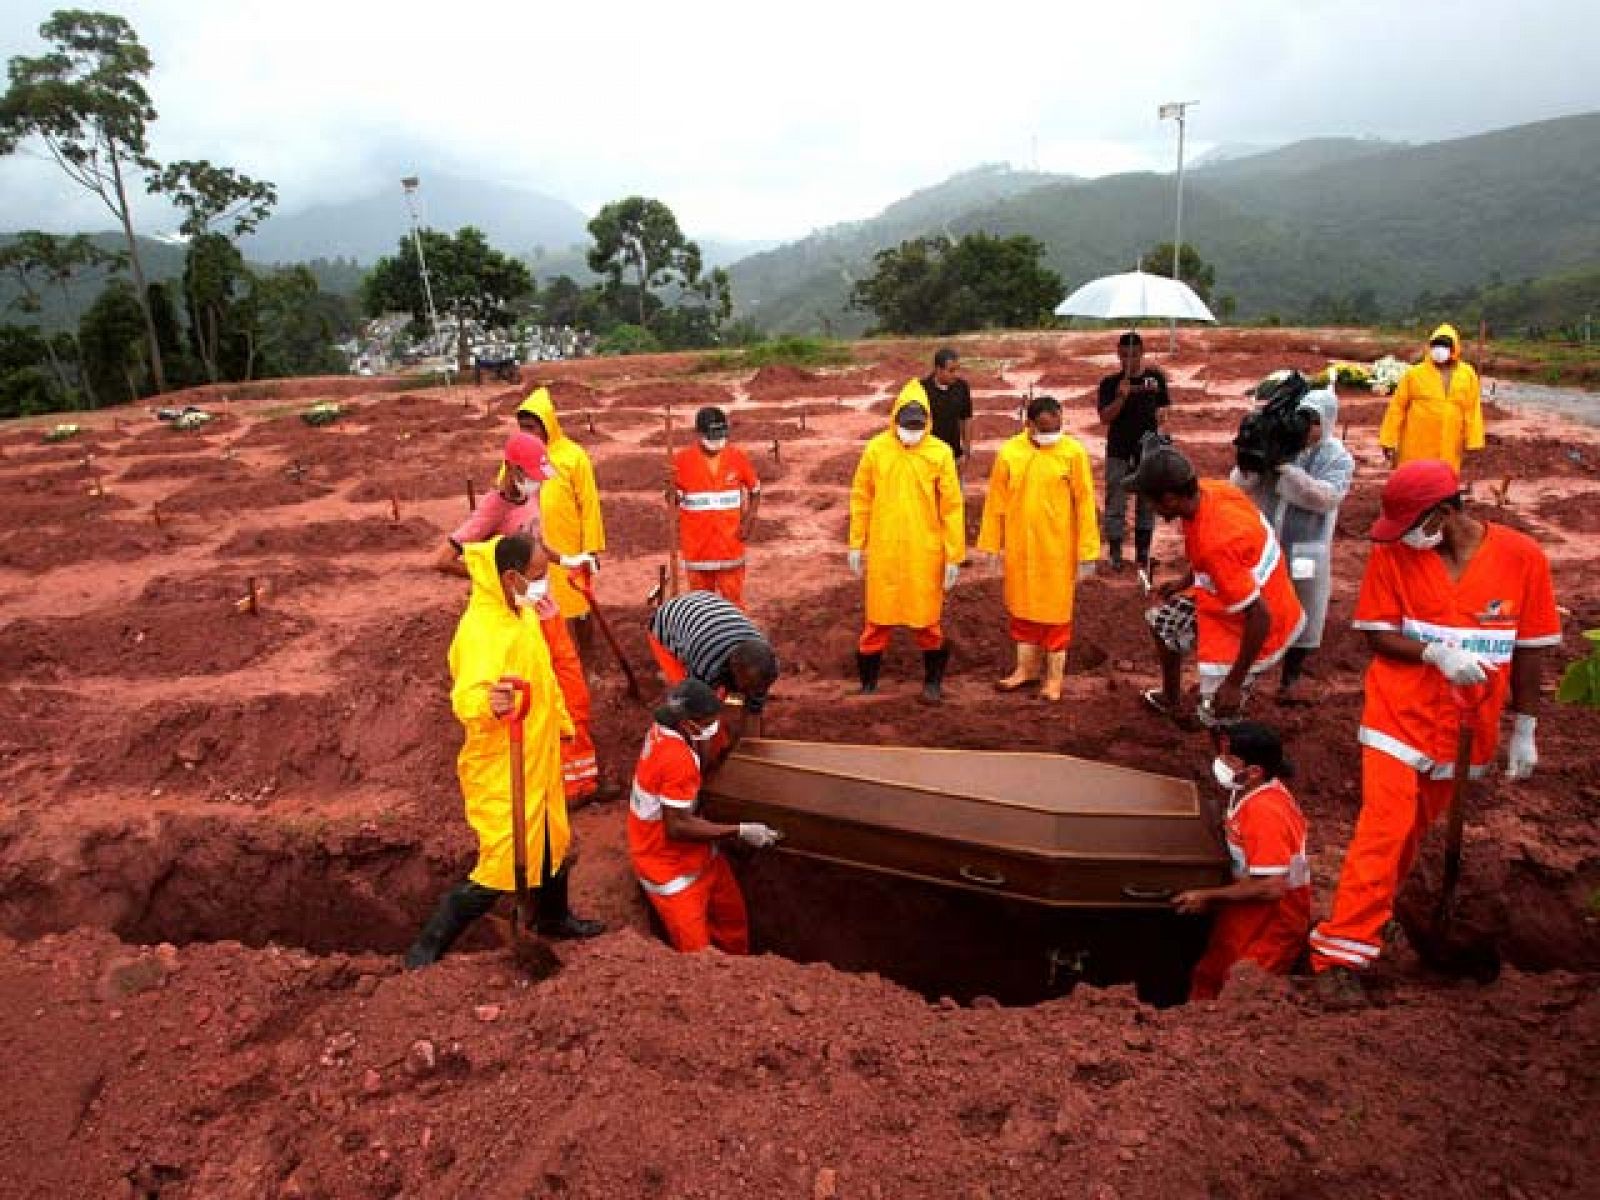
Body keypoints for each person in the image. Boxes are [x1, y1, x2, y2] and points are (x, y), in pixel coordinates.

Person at [1308, 460, 1559, 998]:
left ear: (1445, 513)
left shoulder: (1522, 558)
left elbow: (1532, 648)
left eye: (1413, 526)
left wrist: (1526, 726)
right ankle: (1340, 954)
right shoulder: (1393, 553)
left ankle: (1376, 919)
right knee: (1385, 828)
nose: (1404, 538)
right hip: (1397, 718)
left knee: (1411, 835)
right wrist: (1434, 652)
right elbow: (1378, 636)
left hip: (1467, 730)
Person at [405, 534, 604, 968]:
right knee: (503, 859)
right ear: (511, 577)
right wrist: (487, 705)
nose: (544, 584)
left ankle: (554, 918)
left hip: (538, 750)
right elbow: (465, 697)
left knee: (552, 838)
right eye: (537, 576)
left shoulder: (522, 611)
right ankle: (427, 948)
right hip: (502, 761)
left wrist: (563, 724)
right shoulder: (482, 631)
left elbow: (543, 675)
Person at [434, 434, 605, 807]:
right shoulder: (493, 509)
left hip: (536, 602)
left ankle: (564, 773)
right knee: (528, 690)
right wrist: (494, 580)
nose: (537, 484)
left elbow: (536, 546)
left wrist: (568, 560)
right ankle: (544, 778)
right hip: (516, 610)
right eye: (531, 476)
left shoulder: (531, 496)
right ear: (511, 470)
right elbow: (441, 560)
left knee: (558, 681)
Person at [1130, 446, 1305, 726]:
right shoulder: (1210, 493)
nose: (1149, 508)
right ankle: (1171, 698)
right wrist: (1183, 582)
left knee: (1218, 715)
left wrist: (1234, 682)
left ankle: (1232, 749)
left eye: (1150, 501)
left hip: (1261, 620)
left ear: (1170, 499)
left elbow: (1260, 617)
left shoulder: (1218, 542)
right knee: (1163, 622)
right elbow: (1205, 553)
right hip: (1239, 593)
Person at [627, 679, 783, 953]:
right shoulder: (676, 759)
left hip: (700, 856)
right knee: (698, 958)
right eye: (711, 721)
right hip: (669, 870)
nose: (715, 727)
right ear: (688, 723)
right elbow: (677, 826)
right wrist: (740, 830)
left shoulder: (666, 728)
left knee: (733, 923)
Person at [1229, 388, 1356, 695]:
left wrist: (1288, 469)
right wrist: (1256, 459)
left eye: (1314, 421)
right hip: (1268, 543)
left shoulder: (1336, 457)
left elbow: (1325, 497)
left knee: (1304, 606)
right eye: (1303, 418)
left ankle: (1291, 677)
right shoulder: (1281, 442)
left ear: (1327, 422)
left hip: (1306, 547)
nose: (1307, 427)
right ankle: (1252, 671)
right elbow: (1239, 483)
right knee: (1262, 603)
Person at [1173, 722, 1312, 1000]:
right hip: (1248, 903)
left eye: (1230, 759)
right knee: (1211, 972)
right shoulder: (1248, 790)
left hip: (1273, 917)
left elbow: (1272, 886)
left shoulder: (1265, 813)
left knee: (1237, 988)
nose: (1221, 763)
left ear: (1254, 771)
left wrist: (1208, 896)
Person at [976, 394, 1101, 701]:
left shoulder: (1073, 453)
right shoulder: (1009, 453)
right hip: (1021, 548)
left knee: (1055, 613)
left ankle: (1054, 680)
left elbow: (1085, 503)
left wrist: (1088, 552)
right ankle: (1026, 670)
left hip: (1058, 549)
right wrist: (992, 544)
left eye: (1056, 427)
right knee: (1022, 608)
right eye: (1044, 429)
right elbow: (995, 502)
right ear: (1028, 425)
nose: (1051, 435)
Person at [848, 380, 966, 703]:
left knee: (926, 621)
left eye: (917, 426)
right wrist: (856, 544)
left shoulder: (940, 453)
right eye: (905, 426)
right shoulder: (876, 449)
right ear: (894, 420)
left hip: (923, 552)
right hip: (885, 549)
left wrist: (954, 555)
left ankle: (933, 684)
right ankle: (868, 685)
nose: (910, 432)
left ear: (926, 422)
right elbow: (861, 498)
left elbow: (952, 507)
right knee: (877, 621)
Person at [517, 387, 606, 667]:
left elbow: (589, 505)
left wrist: (591, 549)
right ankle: (549, 664)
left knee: (579, 607)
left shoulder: (573, 457)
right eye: (522, 428)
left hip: (569, 545)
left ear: (547, 424)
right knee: (536, 606)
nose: (527, 433)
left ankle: (589, 662)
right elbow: (506, 494)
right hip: (532, 548)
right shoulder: (519, 456)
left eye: (532, 427)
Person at [648, 589, 779, 738]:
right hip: (668, 625)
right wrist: (707, 758)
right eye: (748, 685)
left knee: (727, 701)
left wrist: (752, 750)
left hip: (709, 614)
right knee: (691, 705)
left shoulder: (764, 669)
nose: (751, 691)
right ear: (734, 668)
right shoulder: (706, 663)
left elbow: (753, 712)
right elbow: (698, 711)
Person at [669, 406, 761, 607]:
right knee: (702, 608)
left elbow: (755, 491)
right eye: (712, 436)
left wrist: (750, 519)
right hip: (698, 550)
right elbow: (672, 499)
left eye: (721, 435)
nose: (718, 442)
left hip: (730, 547)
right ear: (698, 434)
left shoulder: (737, 457)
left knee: (734, 605)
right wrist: (669, 490)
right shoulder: (681, 461)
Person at [1097, 331, 1170, 572]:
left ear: (1142, 353)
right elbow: (1105, 418)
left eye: (1134, 355)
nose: (1128, 360)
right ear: (1118, 354)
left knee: (1147, 501)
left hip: (1147, 449)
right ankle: (1116, 552)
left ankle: (1142, 553)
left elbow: (1164, 410)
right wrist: (1120, 397)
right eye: (1124, 355)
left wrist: (1162, 419)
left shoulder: (1155, 379)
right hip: (1118, 448)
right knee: (1116, 499)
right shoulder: (1110, 383)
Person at [1378, 324, 1485, 472]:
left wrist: (1473, 441)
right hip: (1416, 443)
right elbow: (1397, 408)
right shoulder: (1414, 374)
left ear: (1454, 348)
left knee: (1443, 483)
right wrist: (1388, 439)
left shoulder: (1467, 374)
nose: (1439, 350)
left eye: (1444, 345)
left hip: (1450, 442)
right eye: (1436, 345)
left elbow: (1472, 409)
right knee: (1414, 481)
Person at [921, 347, 973, 472]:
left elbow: (966, 418)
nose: (955, 374)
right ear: (938, 370)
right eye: (951, 371)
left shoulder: (962, 387)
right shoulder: (922, 389)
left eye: (957, 370)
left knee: (955, 491)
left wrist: (966, 450)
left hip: (954, 456)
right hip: (929, 457)